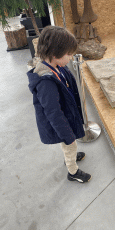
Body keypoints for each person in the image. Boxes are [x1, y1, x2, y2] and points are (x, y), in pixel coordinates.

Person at [27, 25, 91, 183]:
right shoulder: (45, 83)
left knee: (71, 143)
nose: (70, 57)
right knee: (70, 144)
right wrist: (67, 135)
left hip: (66, 115)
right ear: (55, 53)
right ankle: (73, 171)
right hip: (61, 123)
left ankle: (71, 155)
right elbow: (53, 113)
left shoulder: (56, 66)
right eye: (69, 54)